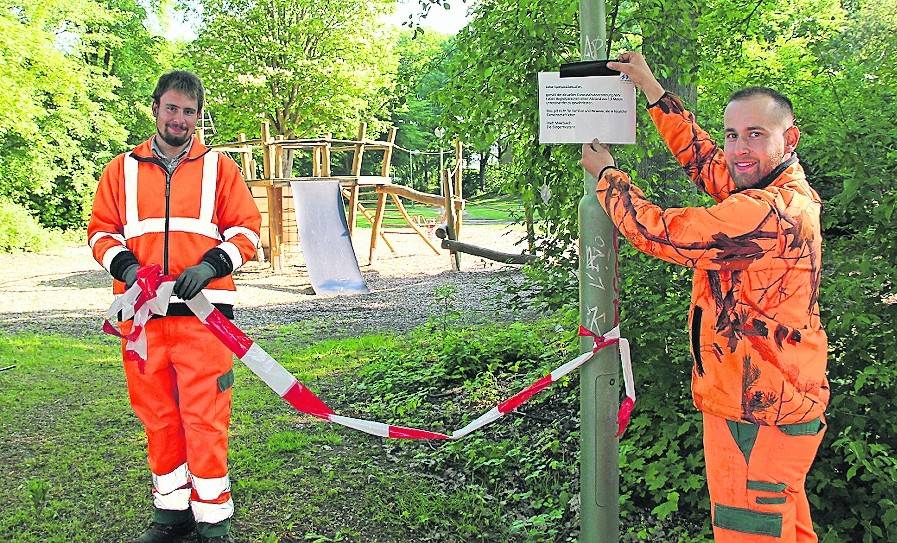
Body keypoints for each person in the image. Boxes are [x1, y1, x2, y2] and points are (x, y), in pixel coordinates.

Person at [581, 52, 829, 542]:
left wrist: (608, 177)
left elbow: (664, 234)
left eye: (755, 134)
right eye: (733, 134)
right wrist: (651, 88)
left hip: (756, 414)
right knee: (789, 531)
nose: (738, 147)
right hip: (779, 404)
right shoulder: (780, 190)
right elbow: (707, 163)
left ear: (790, 138)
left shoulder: (767, 211)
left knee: (750, 534)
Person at [88, 70, 261, 543]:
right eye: (172, 108)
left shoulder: (220, 167)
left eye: (189, 111)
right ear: (155, 108)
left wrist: (209, 266)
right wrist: (124, 267)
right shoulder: (120, 168)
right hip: (142, 318)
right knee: (158, 416)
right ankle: (171, 512)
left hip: (205, 317)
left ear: (197, 115)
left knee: (204, 417)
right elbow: (101, 231)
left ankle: (212, 519)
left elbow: (247, 229)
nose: (179, 119)